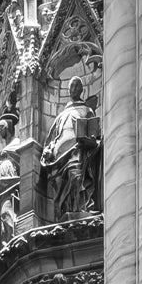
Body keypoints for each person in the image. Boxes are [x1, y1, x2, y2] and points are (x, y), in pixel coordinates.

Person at [41, 76, 102, 217]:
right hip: (59, 158)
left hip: (77, 152)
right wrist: (48, 150)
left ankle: (77, 209)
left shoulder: (87, 111)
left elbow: (94, 136)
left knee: (75, 178)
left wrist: (87, 140)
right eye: (71, 86)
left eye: (76, 86)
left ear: (81, 89)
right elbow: (51, 139)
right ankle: (63, 211)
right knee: (60, 184)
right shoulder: (61, 116)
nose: (73, 89)